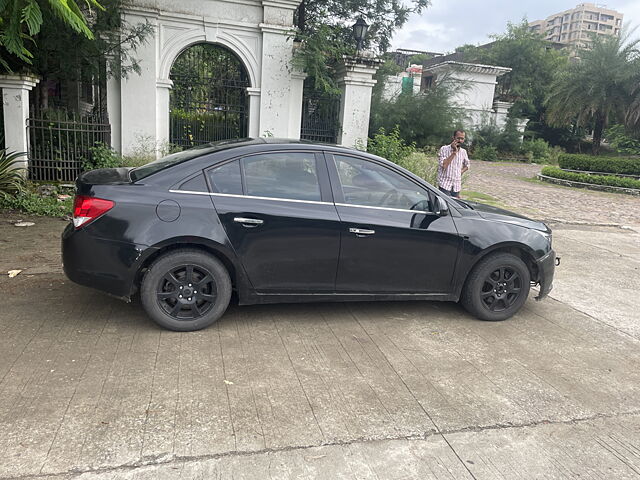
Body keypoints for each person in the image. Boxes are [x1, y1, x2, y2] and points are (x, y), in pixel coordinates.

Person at [437, 130, 469, 198]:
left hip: (456, 186)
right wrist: (454, 152)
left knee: (454, 206)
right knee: (444, 206)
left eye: (462, 139)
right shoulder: (444, 149)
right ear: (453, 138)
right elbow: (444, 165)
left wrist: (461, 172)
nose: (460, 140)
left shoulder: (463, 152)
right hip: (444, 184)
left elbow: (467, 165)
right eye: (458, 138)